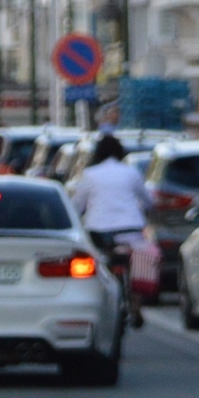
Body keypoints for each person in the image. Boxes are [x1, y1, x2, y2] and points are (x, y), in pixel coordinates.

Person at [69, 132, 154, 328]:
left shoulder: (90, 175)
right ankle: (136, 304)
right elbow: (148, 201)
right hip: (131, 229)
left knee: (101, 265)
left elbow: (76, 206)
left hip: (99, 231)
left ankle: (104, 298)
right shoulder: (131, 172)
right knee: (135, 265)